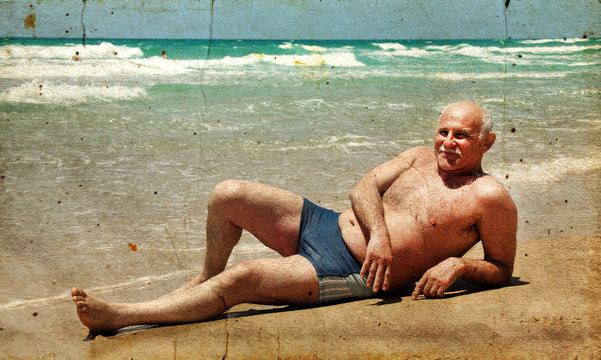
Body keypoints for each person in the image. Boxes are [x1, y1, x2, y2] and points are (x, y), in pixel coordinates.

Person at [71, 101, 517, 333]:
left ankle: (121, 316)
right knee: (228, 194)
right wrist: (379, 232)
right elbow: (363, 188)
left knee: (242, 279)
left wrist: (458, 263)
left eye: (462, 135)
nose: (448, 143)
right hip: (326, 224)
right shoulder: (417, 156)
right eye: (443, 132)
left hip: (351, 270)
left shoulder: (490, 197)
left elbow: (502, 268)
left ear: (487, 142)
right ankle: (203, 277)